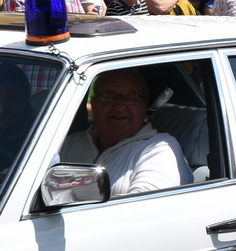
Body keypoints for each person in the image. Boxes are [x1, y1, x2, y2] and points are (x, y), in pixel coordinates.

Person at [58, 68, 191, 197]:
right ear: (93, 104)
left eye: (131, 97)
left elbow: (148, 209)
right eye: (108, 97)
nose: (120, 106)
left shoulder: (158, 149)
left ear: (144, 106)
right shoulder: (70, 142)